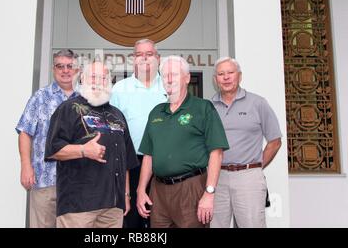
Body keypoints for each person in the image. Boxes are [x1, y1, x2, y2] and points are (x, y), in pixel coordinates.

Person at [136, 56, 229, 228]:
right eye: (165, 76)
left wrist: (209, 193)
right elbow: (148, 155)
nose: (169, 80)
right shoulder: (156, 112)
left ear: (187, 78)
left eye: (174, 75)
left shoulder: (203, 108)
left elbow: (216, 153)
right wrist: (141, 190)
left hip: (191, 188)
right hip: (158, 191)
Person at [45, 61, 139, 228]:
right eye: (93, 77)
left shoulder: (117, 115)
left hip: (113, 208)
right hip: (78, 207)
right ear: (83, 78)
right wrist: (83, 150)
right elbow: (53, 149)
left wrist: (126, 195)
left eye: (103, 78)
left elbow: (126, 161)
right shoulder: (68, 109)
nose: (98, 82)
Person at [210, 57, 282, 228]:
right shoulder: (207, 107)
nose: (226, 77)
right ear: (215, 80)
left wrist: (256, 167)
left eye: (230, 73)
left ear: (239, 76)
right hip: (216, 178)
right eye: (221, 74)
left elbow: (275, 141)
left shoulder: (258, 103)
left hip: (248, 177)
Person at [15, 49, 79, 228]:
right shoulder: (40, 97)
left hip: (78, 183)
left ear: (77, 69)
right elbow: (25, 132)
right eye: (60, 66)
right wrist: (26, 166)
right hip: (45, 179)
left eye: (70, 66)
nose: (65, 70)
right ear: (53, 69)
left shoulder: (85, 99)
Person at [110, 39, 167, 228]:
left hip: (164, 164)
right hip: (130, 164)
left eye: (149, 54)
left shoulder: (170, 87)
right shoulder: (119, 89)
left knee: (161, 220)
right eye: (139, 54)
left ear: (158, 58)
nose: (144, 58)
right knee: (131, 220)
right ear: (133, 59)